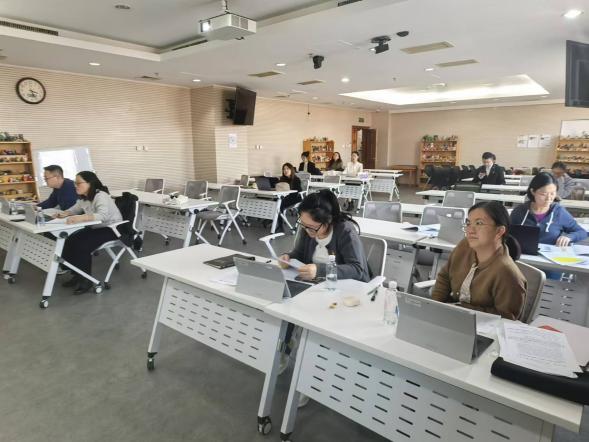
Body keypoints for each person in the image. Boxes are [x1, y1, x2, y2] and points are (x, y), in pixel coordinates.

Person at [432, 201, 527, 320]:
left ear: (499, 231)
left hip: (481, 328)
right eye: (468, 223)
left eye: (479, 223)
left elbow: (507, 318)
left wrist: (460, 309)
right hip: (451, 317)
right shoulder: (465, 246)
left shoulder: (507, 273)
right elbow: (444, 277)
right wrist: (436, 308)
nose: (470, 230)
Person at [279, 189, 370, 282]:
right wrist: (288, 257)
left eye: (312, 227)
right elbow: (300, 253)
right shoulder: (307, 227)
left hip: (348, 286)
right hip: (318, 283)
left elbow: (357, 269)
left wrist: (319, 270)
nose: (306, 230)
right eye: (303, 224)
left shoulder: (345, 231)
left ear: (328, 221)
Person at [58, 171, 123, 295]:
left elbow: (103, 216)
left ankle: (86, 281)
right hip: (97, 228)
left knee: (82, 245)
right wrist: (64, 213)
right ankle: (77, 274)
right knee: (70, 240)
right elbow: (74, 209)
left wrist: (81, 217)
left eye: (78, 183)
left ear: (90, 183)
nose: (75, 186)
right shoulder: (84, 197)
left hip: (112, 228)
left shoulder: (101, 196)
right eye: (75, 183)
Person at [510, 172, 587, 246]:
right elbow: (507, 233)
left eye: (552, 193)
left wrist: (569, 237)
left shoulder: (559, 212)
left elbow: (582, 232)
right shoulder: (519, 211)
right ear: (533, 191)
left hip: (549, 254)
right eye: (543, 194)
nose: (549, 198)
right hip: (523, 254)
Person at [276, 162, 303, 231]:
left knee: (280, 204)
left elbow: (299, 191)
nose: (285, 170)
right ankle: (272, 220)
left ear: (291, 170)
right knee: (275, 202)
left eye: (287, 169)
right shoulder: (282, 179)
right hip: (285, 197)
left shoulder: (296, 179)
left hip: (295, 198)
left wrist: (289, 190)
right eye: (284, 169)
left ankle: (280, 226)